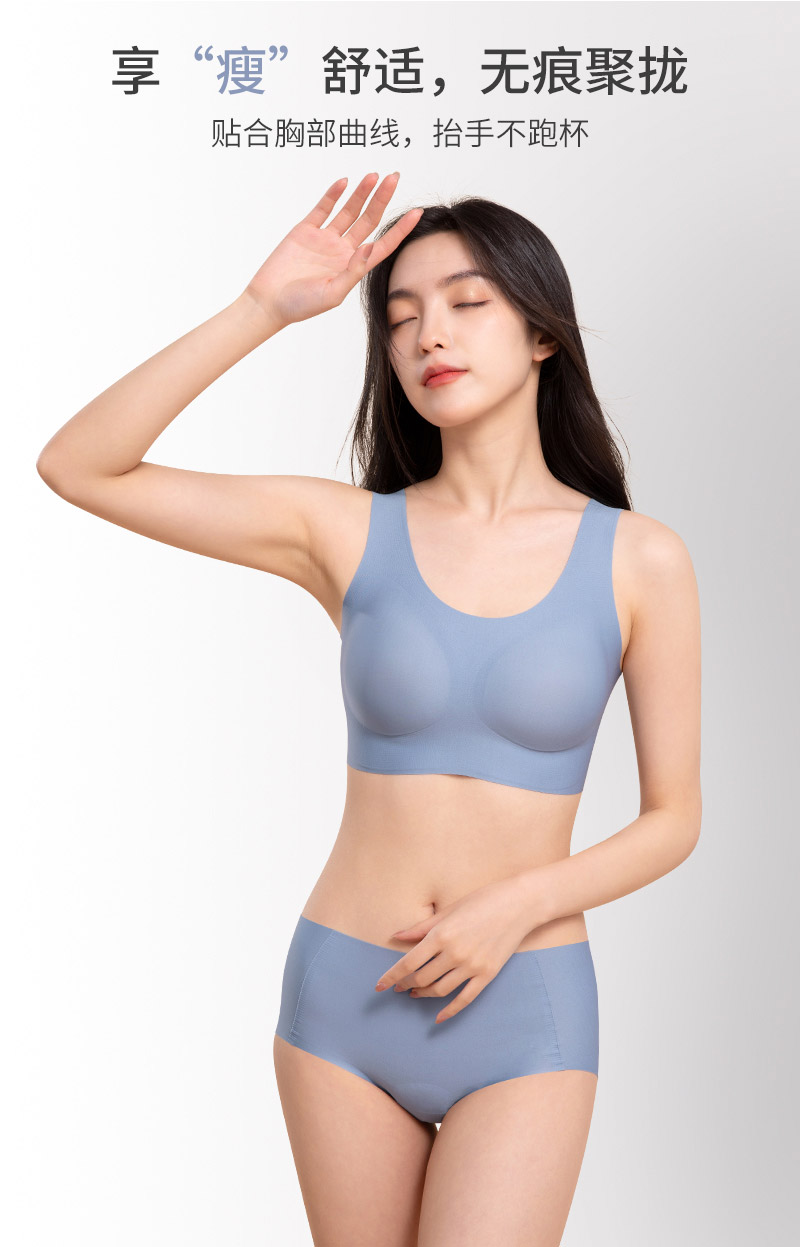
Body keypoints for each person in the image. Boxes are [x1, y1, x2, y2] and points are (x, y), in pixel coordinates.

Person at [37, 171, 702, 1247]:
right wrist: (261, 308)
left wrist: (514, 904)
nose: (428, 333)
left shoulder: (640, 558)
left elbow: (674, 818)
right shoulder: (344, 531)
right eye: (400, 317)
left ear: (542, 332)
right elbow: (78, 465)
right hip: (345, 996)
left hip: (523, 998)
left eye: (467, 301)